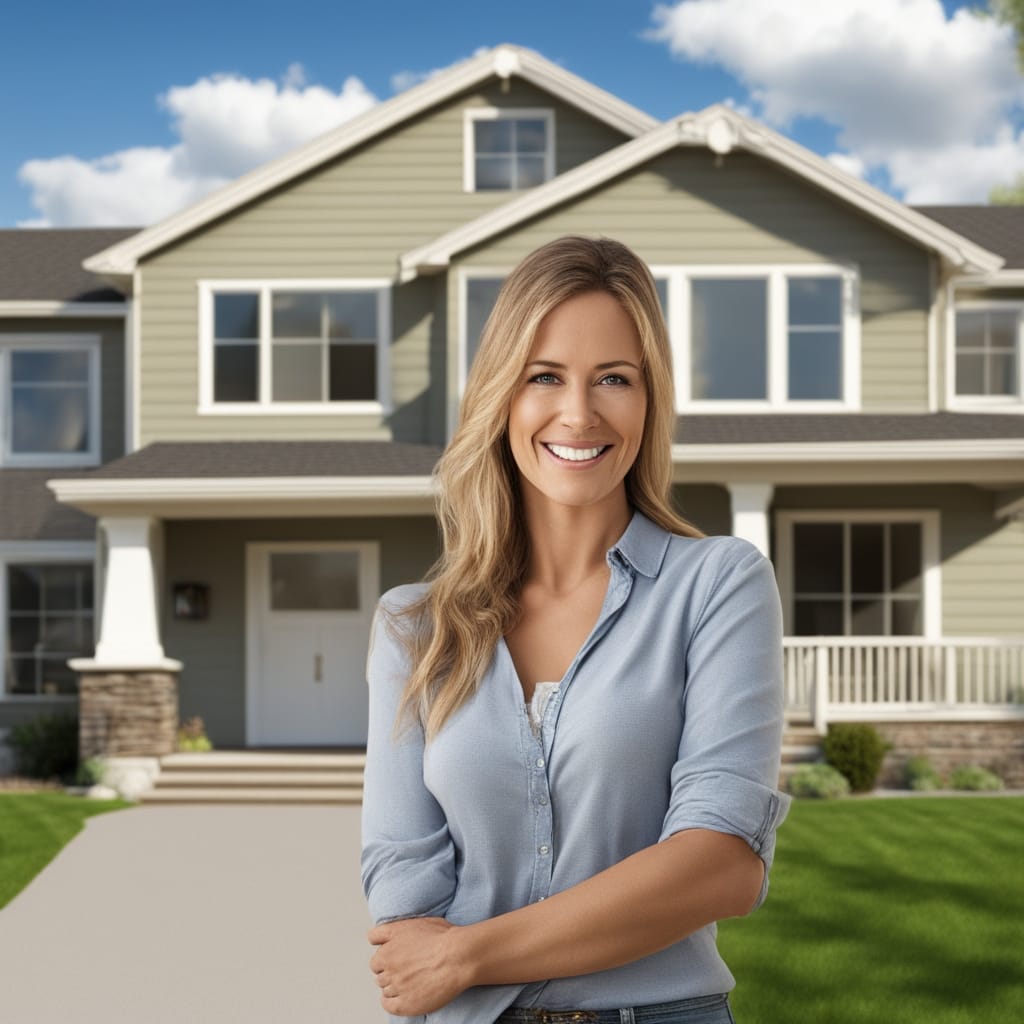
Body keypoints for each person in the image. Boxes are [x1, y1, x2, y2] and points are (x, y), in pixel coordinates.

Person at [361, 235, 790, 1023]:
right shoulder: (414, 629)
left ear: (650, 400)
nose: (579, 413)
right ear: (501, 396)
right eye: (545, 376)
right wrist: (444, 955)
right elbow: (403, 903)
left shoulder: (717, 585)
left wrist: (468, 954)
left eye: (614, 379)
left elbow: (721, 864)